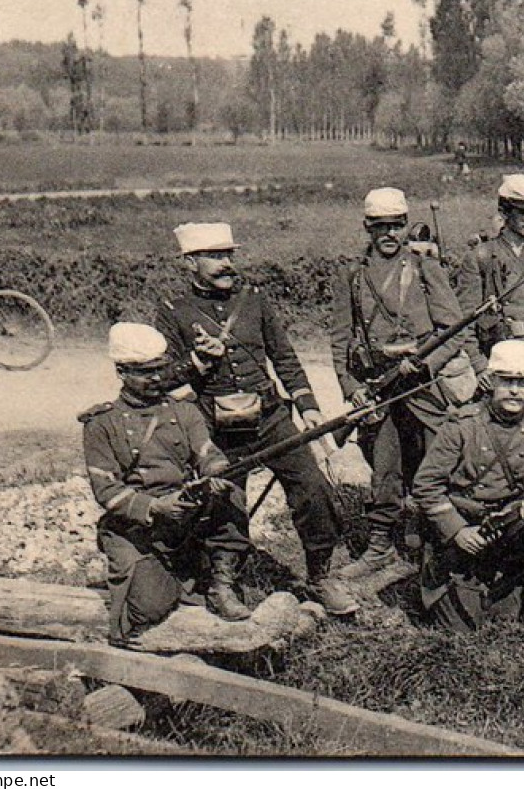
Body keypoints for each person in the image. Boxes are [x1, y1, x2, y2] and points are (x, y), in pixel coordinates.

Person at [155, 223, 356, 617]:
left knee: (313, 488)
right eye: (215, 256)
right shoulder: (173, 312)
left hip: (270, 415)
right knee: (226, 502)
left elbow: (284, 357)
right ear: (191, 263)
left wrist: (308, 406)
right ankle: (223, 586)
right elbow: (165, 377)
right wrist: (198, 364)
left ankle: (319, 576)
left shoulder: (253, 300)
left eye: (229, 255)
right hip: (215, 425)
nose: (226, 264)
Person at [329, 189, 482, 578]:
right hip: (377, 385)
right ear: (367, 227)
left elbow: (455, 331)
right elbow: (339, 339)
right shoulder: (352, 276)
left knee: (437, 462)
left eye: (397, 225)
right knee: (384, 465)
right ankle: (380, 545)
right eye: (381, 227)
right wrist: (352, 388)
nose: (390, 234)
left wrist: (426, 364)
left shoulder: (426, 269)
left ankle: (439, 539)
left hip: (423, 388)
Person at [83, 322, 251, 646]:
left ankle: (220, 586)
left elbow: (207, 452)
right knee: (149, 609)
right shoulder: (101, 424)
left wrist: (216, 472)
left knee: (232, 498)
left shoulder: (184, 411)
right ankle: (175, 576)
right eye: (145, 372)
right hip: (137, 526)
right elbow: (107, 491)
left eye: (160, 369)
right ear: (121, 371)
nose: (157, 378)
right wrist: (156, 507)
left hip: (184, 511)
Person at [412, 340, 524, 634]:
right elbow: (426, 485)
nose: (516, 390)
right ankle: (453, 576)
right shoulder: (462, 424)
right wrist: (457, 531)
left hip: (513, 521)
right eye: (507, 381)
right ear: (491, 382)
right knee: (463, 629)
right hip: (467, 523)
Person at [454, 175, 524, 353]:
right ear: (504, 212)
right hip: (498, 355)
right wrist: (479, 365)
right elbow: (465, 323)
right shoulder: (480, 257)